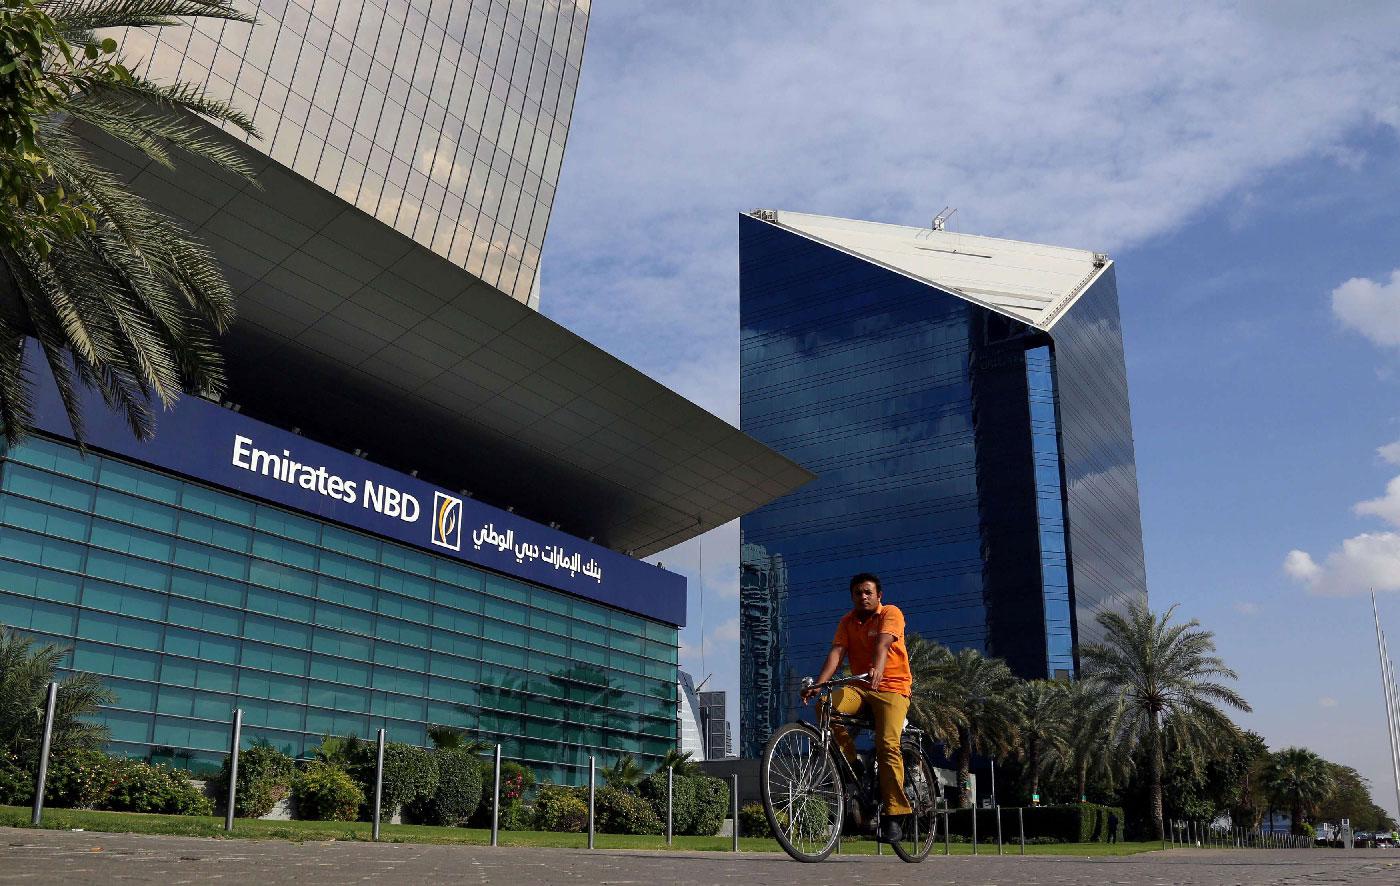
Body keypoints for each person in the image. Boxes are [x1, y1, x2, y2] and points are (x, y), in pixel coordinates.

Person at [801, 572, 913, 843]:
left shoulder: (891, 613)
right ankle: (854, 762)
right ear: (852, 597)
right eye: (857, 593)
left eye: (867, 592)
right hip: (861, 687)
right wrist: (819, 684)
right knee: (825, 705)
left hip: (892, 688)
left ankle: (895, 815)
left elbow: (884, 642)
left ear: (878, 595)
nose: (863, 597)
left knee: (887, 744)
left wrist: (878, 668)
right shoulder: (847, 622)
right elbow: (837, 653)